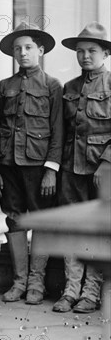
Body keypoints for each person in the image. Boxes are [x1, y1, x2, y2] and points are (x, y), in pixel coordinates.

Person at [0, 22, 63, 305]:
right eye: (17, 49)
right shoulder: (5, 86)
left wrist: (51, 170)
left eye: (29, 47)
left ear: (40, 50)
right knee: (15, 219)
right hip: (8, 165)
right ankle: (19, 282)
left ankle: (36, 283)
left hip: (37, 166)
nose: (23, 53)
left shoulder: (52, 85)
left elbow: (58, 131)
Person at [52, 22, 111, 313]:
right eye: (80, 51)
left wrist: (107, 162)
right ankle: (70, 290)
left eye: (92, 51)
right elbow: (62, 133)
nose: (85, 56)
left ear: (105, 53)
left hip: (101, 172)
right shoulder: (70, 88)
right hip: (70, 169)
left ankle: (91, 292)